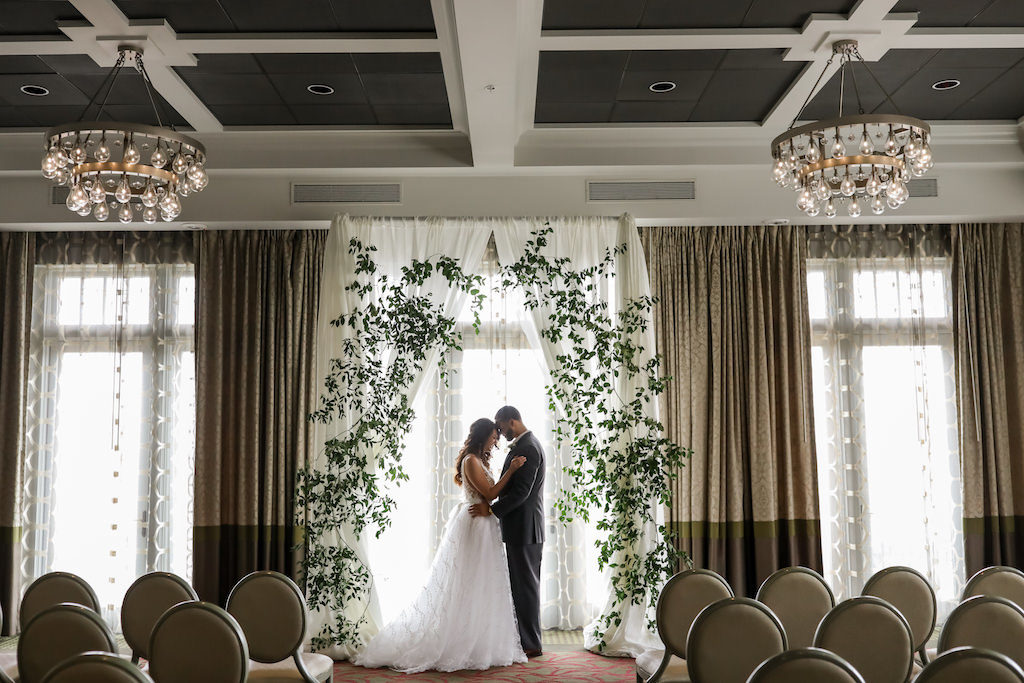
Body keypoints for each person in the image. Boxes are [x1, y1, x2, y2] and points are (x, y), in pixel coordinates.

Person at [352, 417, 528, 673]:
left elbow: (490, 496)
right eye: (492, 435)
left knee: (484, 583)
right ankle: (460, 640)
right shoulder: (471, 460)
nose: (496, 439)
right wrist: (511, 470)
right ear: (482, 435)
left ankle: (480, 640)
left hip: (484, 523)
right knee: (468, 582)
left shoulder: (479, 460)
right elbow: (489, 495)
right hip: (475, 526)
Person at [469, 405, 546, 658]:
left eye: (500, 427)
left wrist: (491, 511)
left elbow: (521, 493)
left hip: (525, 529)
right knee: (522, 585)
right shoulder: (525, 445)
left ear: (511, 421)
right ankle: (526, 641)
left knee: (526, 587)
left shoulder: (528, 448)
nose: (500, 434)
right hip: (521, 528)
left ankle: (531, 644)